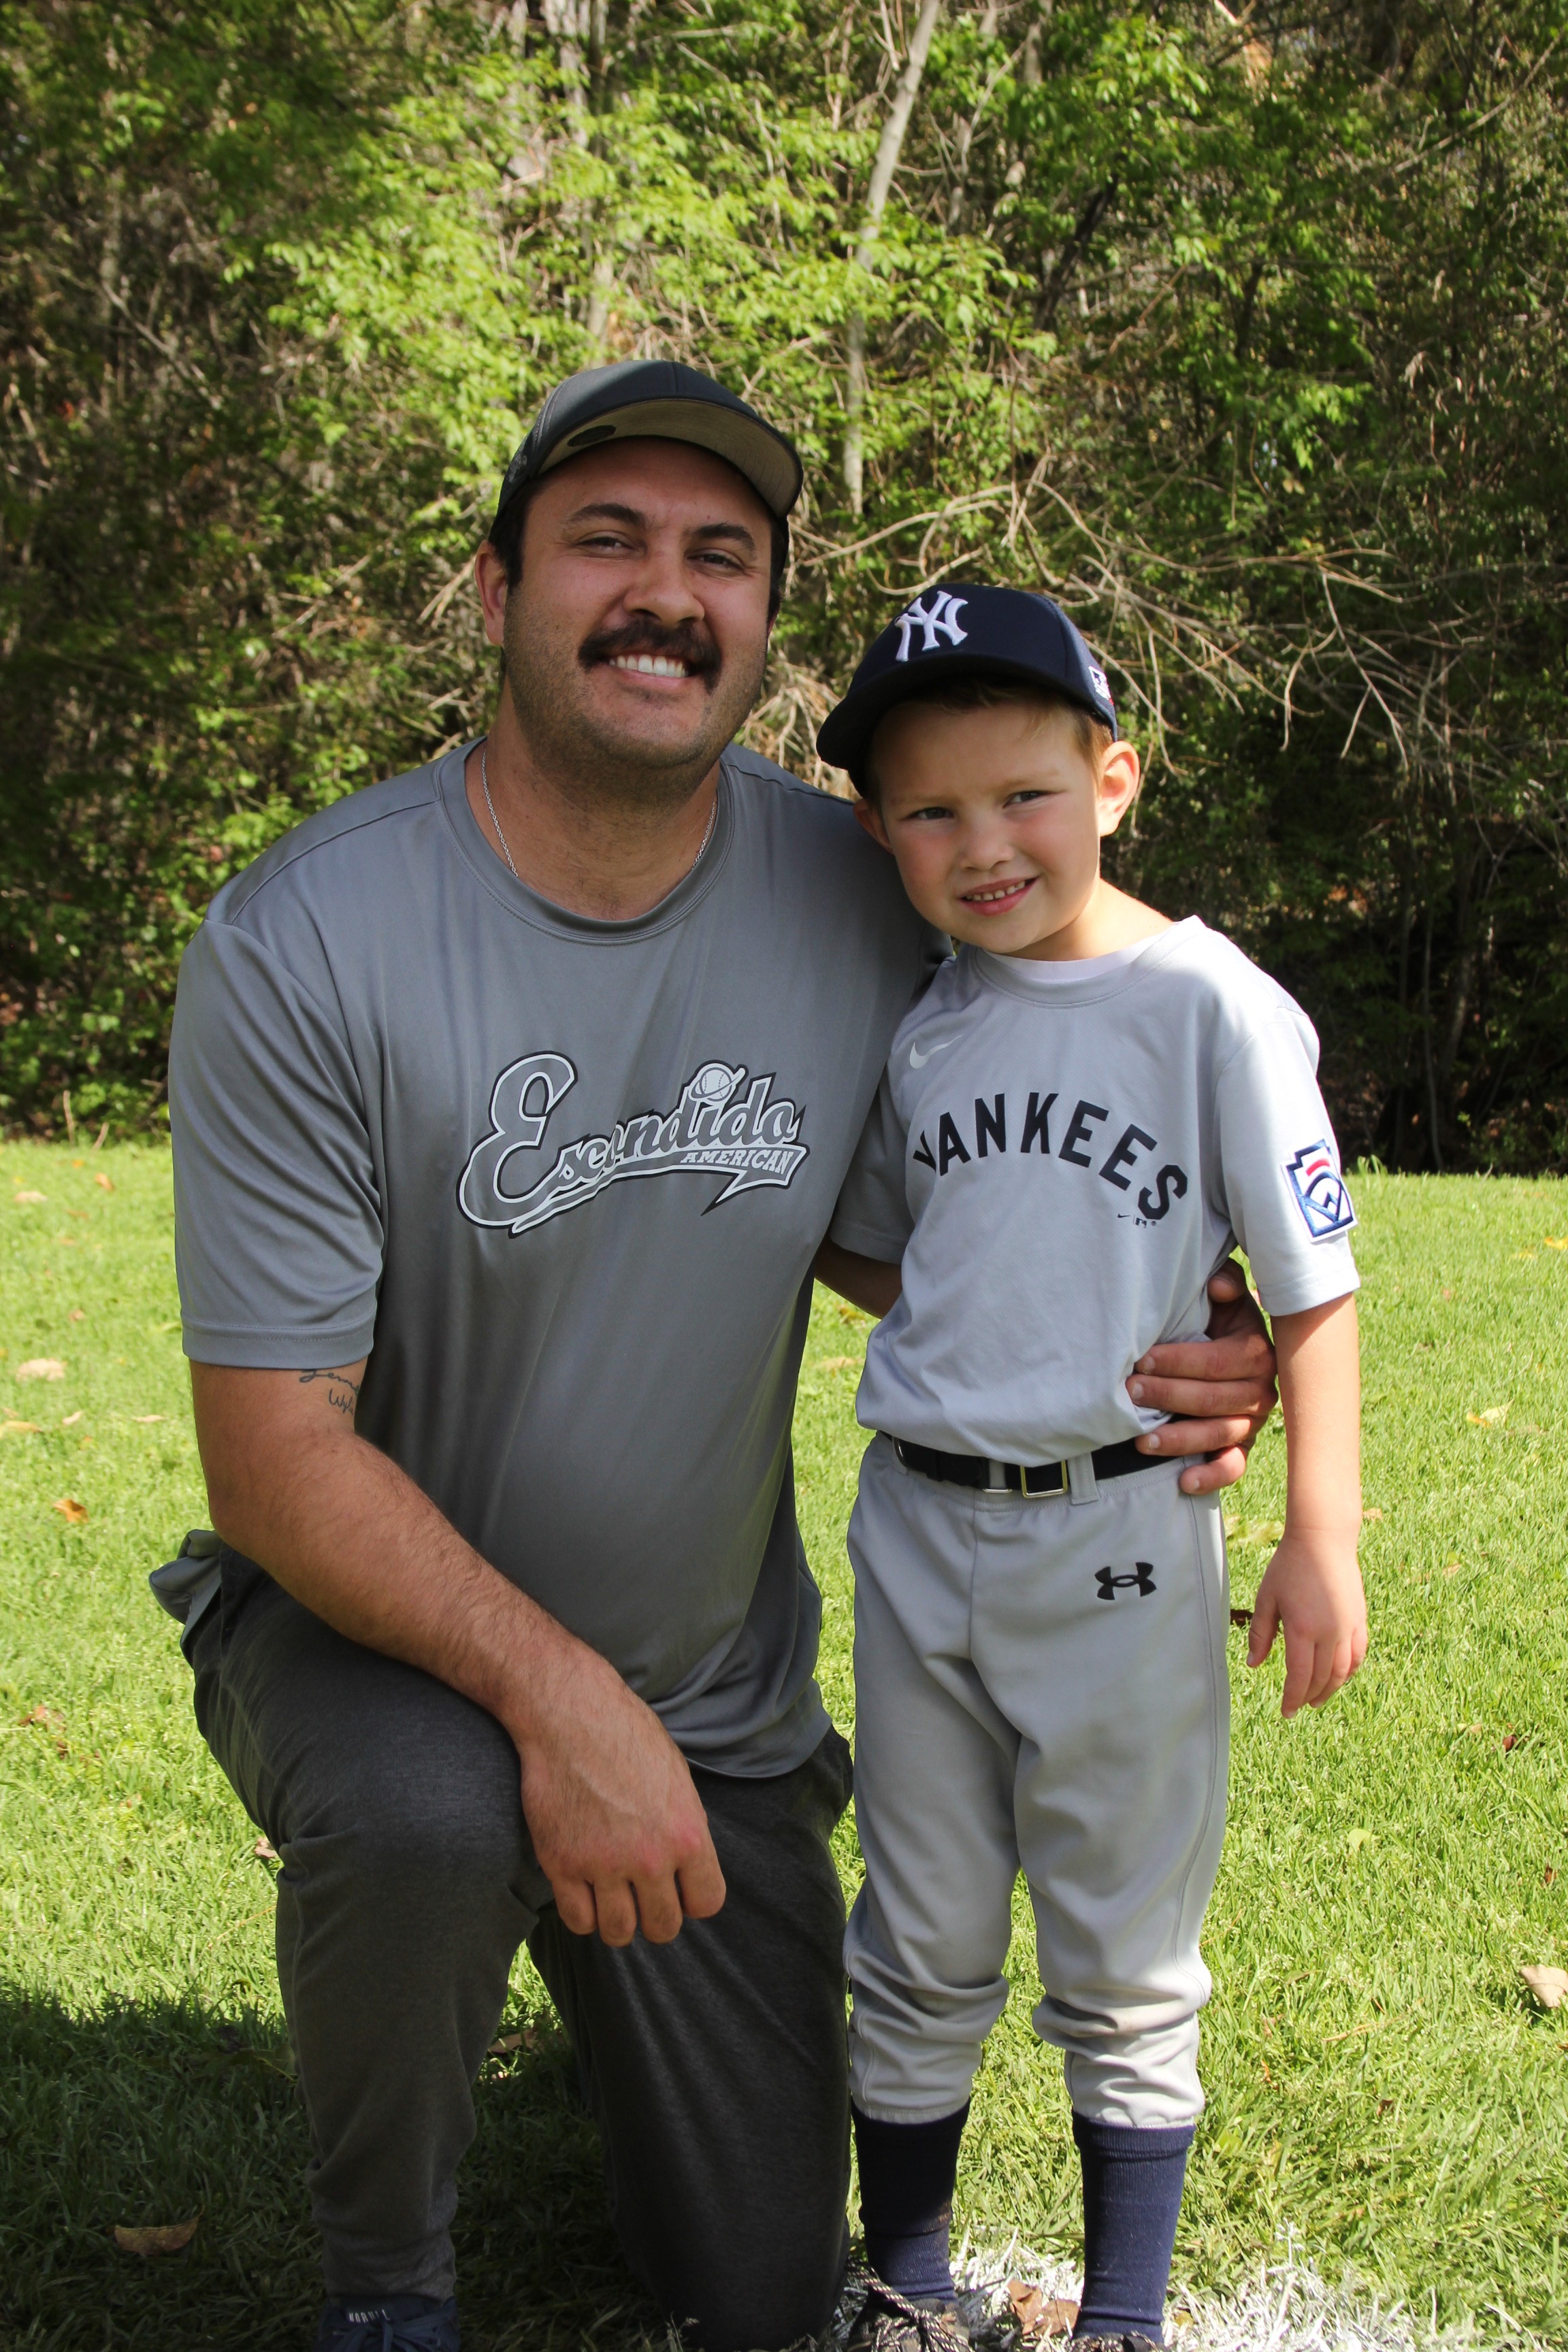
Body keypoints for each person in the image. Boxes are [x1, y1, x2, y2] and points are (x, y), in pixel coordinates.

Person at [155, 362, 1279, 2352]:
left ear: (763, 616)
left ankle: (614, 1993)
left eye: (721, 556)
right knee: (434, 1807)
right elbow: (274, 1459)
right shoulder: (303, 941)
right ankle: (389, 2294)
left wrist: (1205, 1326)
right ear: (498, 587)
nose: (665, 593)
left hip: (710, 1703)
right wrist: (562, 1706)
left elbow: (1013, 1141)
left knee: (765, 2292)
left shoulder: (858, 879)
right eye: (607, 542)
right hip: (367, 1648)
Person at [812, 584, 1369, 2352]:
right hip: (919, 1525)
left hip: (1124, 1528)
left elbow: (1312, 1286)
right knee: (919, 1932)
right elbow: (907, 1255)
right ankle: (906, 2283)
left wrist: (1322, 1532)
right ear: (879, 831)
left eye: (1024, 795)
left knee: (1122, 1948)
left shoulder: (1210, 1005)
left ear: (1114, 778)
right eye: (930, 810)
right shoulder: (931, 1022)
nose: (983, 845)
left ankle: (1123, 2315)